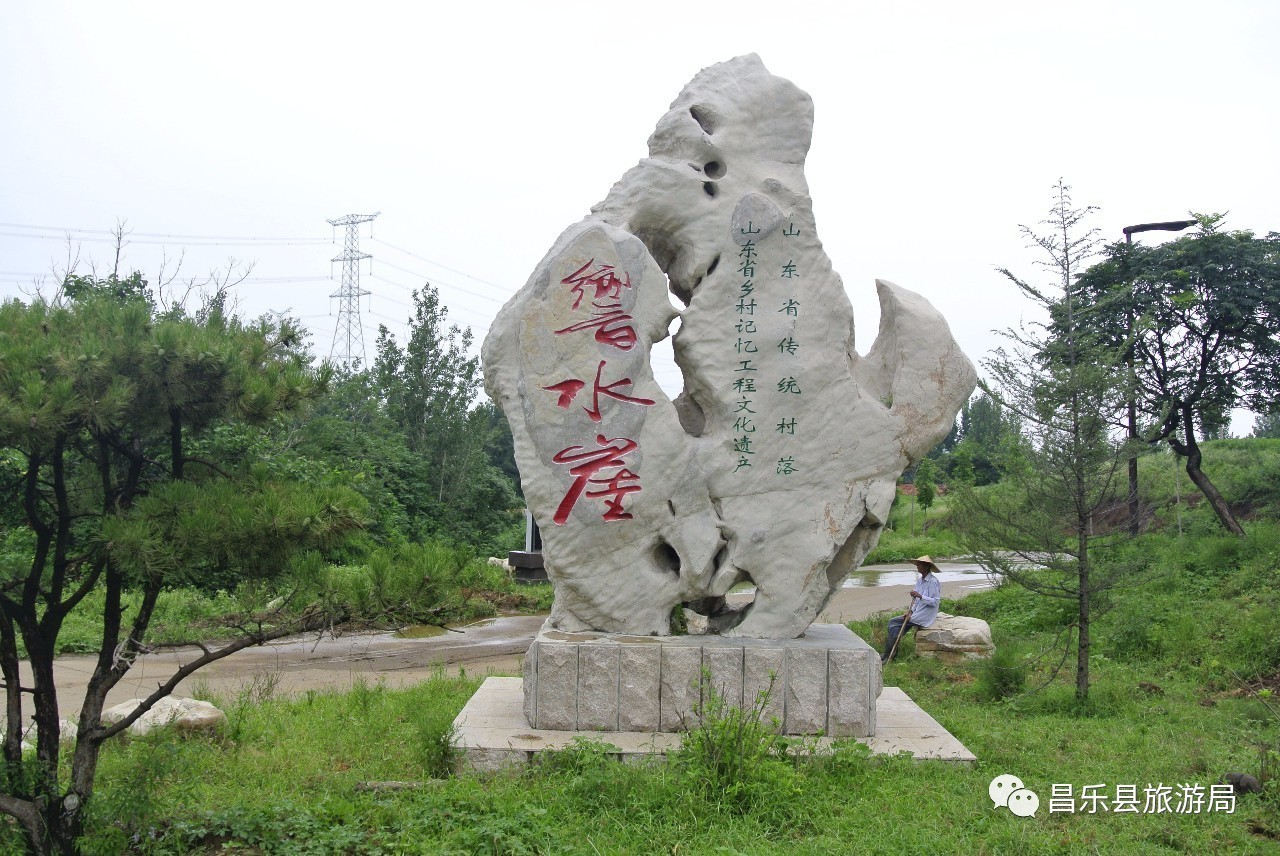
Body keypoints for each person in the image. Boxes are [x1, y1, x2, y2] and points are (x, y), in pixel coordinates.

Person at [881, 556, 942, 663]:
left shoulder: (933, 582)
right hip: (917, 612)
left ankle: (888, 654)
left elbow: (935, 602)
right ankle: (889, 654)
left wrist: (920, 596)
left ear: (927, 567)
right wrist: (910, 611)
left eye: (920, 564)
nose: (917, 566)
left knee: (894, 623)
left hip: (926, 614)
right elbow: (916, 601)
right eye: (917, 564)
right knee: (894, 625)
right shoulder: (920, 581)